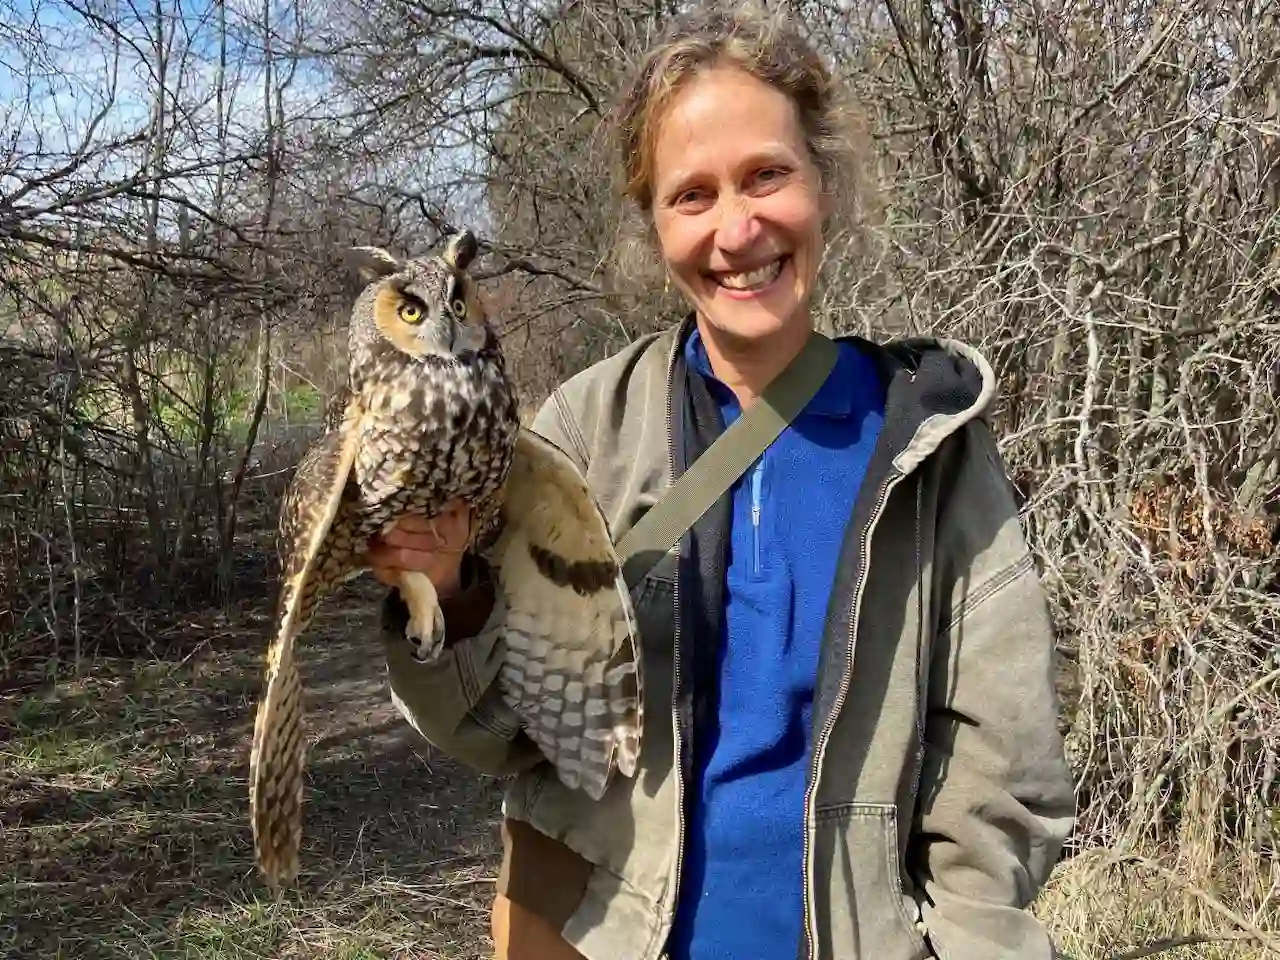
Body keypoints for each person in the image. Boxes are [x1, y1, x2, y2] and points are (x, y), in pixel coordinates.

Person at [367, 4, 1077, 959]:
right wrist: (446, 596)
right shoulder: (582, 434)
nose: (737, 229)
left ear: (824, 183)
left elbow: (999, 778)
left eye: (767, 176)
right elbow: (507, 734)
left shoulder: (932, 446)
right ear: (653, 225)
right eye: (692, 195)